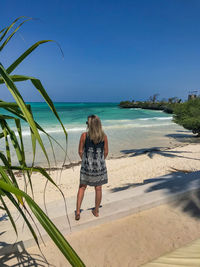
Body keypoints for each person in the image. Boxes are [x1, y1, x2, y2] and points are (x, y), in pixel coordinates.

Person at [75, 115, 108, 220]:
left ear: (90, 125)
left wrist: (86, 160)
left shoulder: (84, 136)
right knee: (98, 188)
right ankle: (96, 211)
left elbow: (80, 151)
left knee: (82, 187)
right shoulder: (104, 136)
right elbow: (106, 152)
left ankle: (78, 212)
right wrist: (99, 161)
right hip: (99, 166)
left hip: (87, 166)